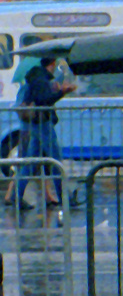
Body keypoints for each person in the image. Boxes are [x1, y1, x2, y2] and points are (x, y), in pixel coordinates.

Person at [9, 56, 76, 207]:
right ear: (52, 64)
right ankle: (66, 198)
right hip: (42, 123)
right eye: (55, 65)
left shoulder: (34, 78)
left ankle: (15, 196)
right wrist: (63, 92)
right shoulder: (41, 79)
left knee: (31, 162)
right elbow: (45, 100)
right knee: (56, 161)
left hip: (35, 123)